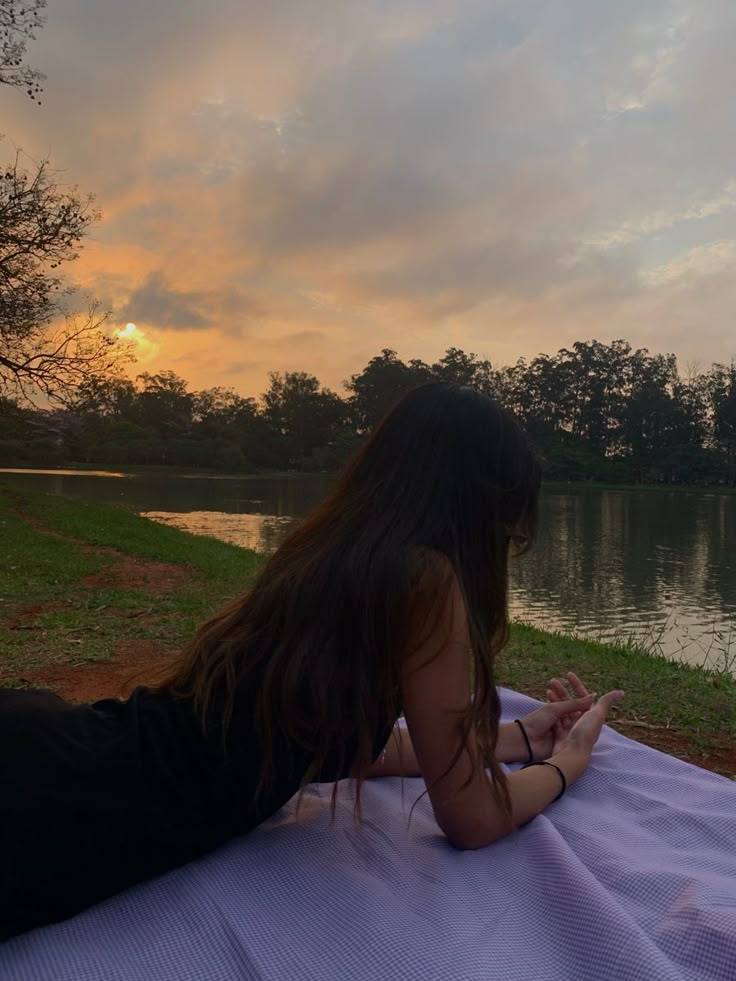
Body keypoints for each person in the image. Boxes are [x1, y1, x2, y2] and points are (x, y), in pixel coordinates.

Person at [0, 382, 624, 939]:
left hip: (64, 752)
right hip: (54, 806)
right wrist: (571, 762)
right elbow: (473, 818)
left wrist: (514, 738)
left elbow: (326, 745)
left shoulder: (329, 556)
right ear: (483, 508)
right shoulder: (427, 580)